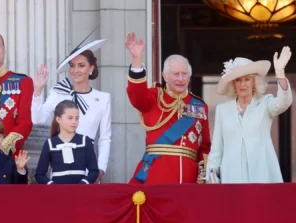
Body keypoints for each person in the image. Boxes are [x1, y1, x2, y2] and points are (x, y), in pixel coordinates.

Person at [125, 32, 211, 184]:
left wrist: (202, 175)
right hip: (156, 176)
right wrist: (137, 60)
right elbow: (137, 96)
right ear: (164, 76)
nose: (180, 78)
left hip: (189, 179)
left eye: (184, 74)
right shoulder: (154, 97)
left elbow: (204, 147)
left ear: (189, 77)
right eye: (175, 74)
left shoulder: (199, 105)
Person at [206, 46, 293, 183]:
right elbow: (217, 149)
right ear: (233, 84)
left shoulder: (265, 103)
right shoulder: (222, 110)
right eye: (238, 80)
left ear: (254, 83)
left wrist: (280, 73)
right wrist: (211, 174)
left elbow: (284, 102)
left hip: (262, 174)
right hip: (231, 177)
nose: (242, 84)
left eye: (247, 79)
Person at [31, 39, 111, 183]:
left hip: (88, 165)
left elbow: (105, 137)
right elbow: (37, 119)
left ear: (91, 68)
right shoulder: (59, 92)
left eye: (81, 65)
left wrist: (100, 168)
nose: (75, 70)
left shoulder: (103, 98)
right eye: (72, 66)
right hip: (61, 164)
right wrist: (38, 90)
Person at [35, 100, 99, 184]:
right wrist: (52, 186)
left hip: (80, 193)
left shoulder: (85, 141)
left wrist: (83, 183)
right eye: (70, 118)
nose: (74, 122)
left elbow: (94, 171)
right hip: (58, 194)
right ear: (58, 119)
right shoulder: (50, 144)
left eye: (77, 118)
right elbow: (39, 174)